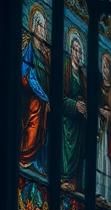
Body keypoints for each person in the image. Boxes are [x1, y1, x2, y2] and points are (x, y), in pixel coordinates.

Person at [19, 8, 50, 175]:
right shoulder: (29, 46)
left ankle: (37, 162)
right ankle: (24, 157)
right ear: (33, 26)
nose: (43, 30)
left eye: (45, 27)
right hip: (32, 97)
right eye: (40, 26)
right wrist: (43, 95)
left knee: (43, 131)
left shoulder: (45, 54)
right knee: (33, 123)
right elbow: (25, 72)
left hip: (44, 100)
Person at [61, 28, 87, 193]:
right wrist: (74, 105)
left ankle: (73, 182)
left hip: (79, 124)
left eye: (79, 50)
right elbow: (59, 97)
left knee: (79, 151)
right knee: (66, 148)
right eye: (74, 49)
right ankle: (62, 178)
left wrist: (85, 108)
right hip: (66, 120)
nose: (77, 53)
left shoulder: (83, 76)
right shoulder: (65, 69)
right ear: (70, 50)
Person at [96, 51, 111, 208]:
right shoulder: (98, 87)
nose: (105, 70)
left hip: (108, 134)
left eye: (107, 67)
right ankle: (96, 191)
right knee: (97, 158)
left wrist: (108, 114)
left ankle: (105, 193)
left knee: (106, 161)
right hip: (98, 130)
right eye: (103, 67)